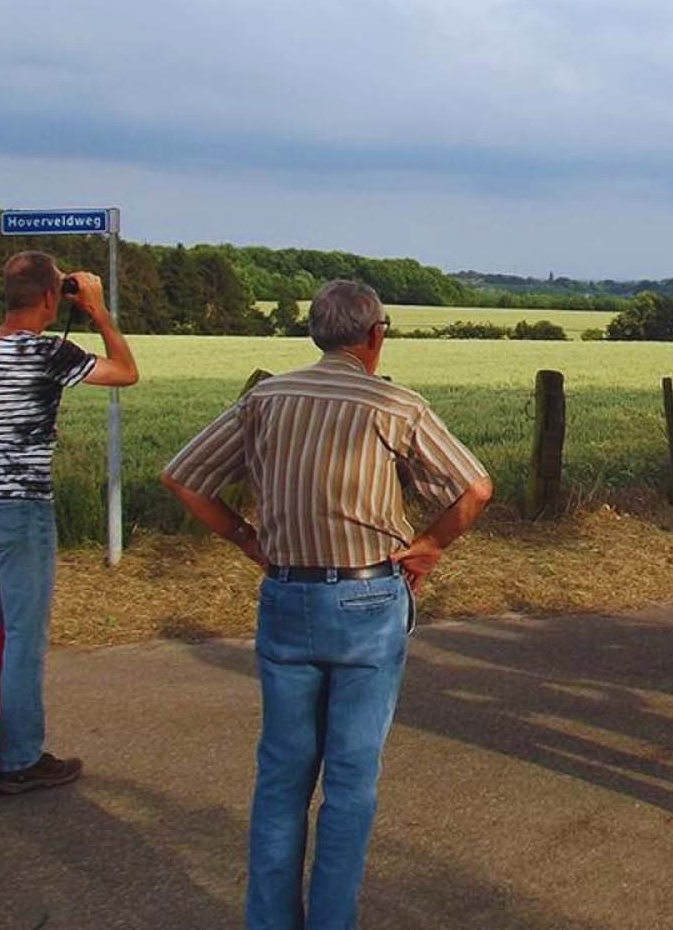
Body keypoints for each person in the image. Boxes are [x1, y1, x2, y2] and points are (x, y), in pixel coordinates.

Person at [161, 280, 494, 930]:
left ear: (317, 333)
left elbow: (181, 476)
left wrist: (243, 537)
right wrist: (427, 547)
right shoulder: (396, 404)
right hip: (369, 597)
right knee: (349, 778)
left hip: (286, 592)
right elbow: (475, 488)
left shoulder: (266, 398)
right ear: (375, 335)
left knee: (282, 772)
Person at [0, 252, 139, 803]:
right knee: (23, 642)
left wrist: (55, 290)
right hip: (22, 511)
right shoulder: (48, 351)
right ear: (51, 300)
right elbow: (126, 372)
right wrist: (100, 312)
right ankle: (21, 760)